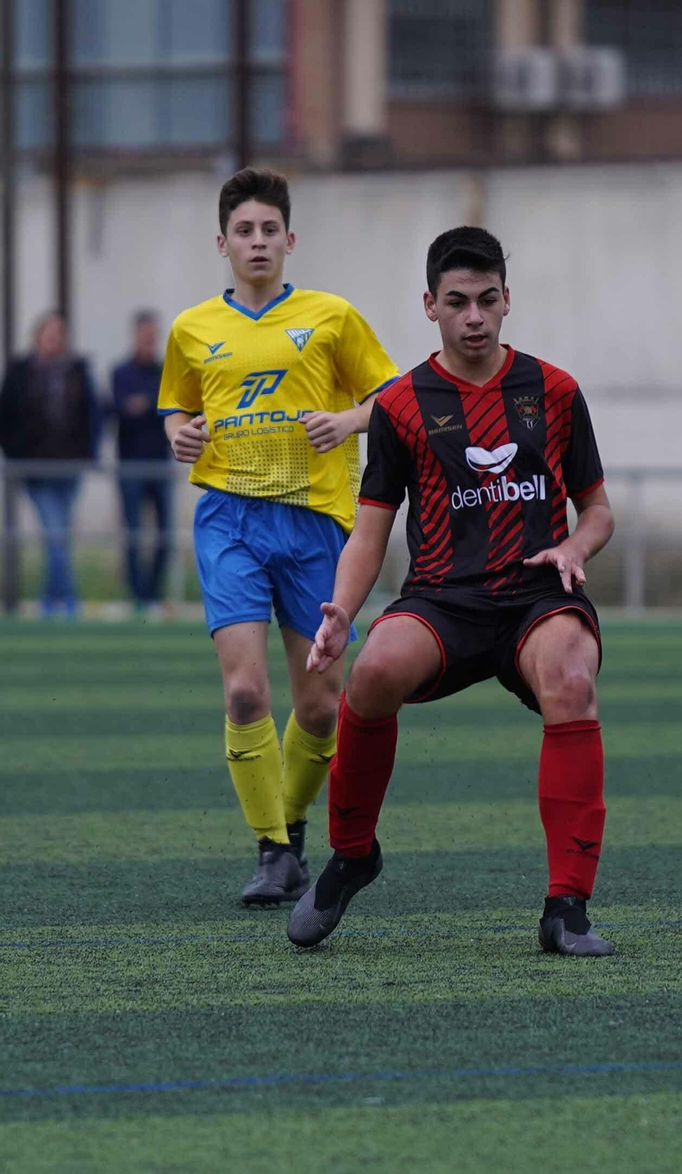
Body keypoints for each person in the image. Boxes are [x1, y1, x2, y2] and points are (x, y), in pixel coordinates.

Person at [288, 226, 615, 957]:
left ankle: (567, 908)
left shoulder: (555, 391)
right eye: (458, 302)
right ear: (430, 305)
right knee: (370, 674)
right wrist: (342, 609)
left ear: (507, 301)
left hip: (537, 595)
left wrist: (573, 544)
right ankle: (351, 856)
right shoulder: (401, 404)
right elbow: (371, 530)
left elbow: (598, 510)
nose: (475, 316)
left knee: (571, 678)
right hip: (442, 599)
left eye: (488, 300)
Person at [158, 167, 400, 904]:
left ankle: (291, 830)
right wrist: (179, 433)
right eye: (244, 231)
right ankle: (270, 852)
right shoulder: (192, 328)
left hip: (317, 521)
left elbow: (389, 394)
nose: (257, 241)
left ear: (289, 240)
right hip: (228, 518)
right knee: (242, 692)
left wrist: (349, 420)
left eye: (269, 230)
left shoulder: (331, 316)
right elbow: (176, 408)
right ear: (222, 243)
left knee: (323, 703)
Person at [0, 311, 100, 618]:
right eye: (50, 333)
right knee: (56, 533)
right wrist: (16, 454)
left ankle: (50, 599)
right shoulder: (20, 371)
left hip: (69, 467)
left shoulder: (77, 370)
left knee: (59, 535)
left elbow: (93, 414)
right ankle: (67, 600)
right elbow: (6, 415)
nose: (55, 339)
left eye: (60, 333)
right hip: (36, 468)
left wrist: (89, 453)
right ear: (38, 336)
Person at [110, 309, 174, 613]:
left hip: (160, 464)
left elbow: (169, 407)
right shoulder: (120, 372)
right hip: (130, 465)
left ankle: (151, 593)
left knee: (165, 535)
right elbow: (121, 410)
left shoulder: (165, 371)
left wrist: (145, 404)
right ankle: (138, 597)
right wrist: (151, 405)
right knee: (134, 534)